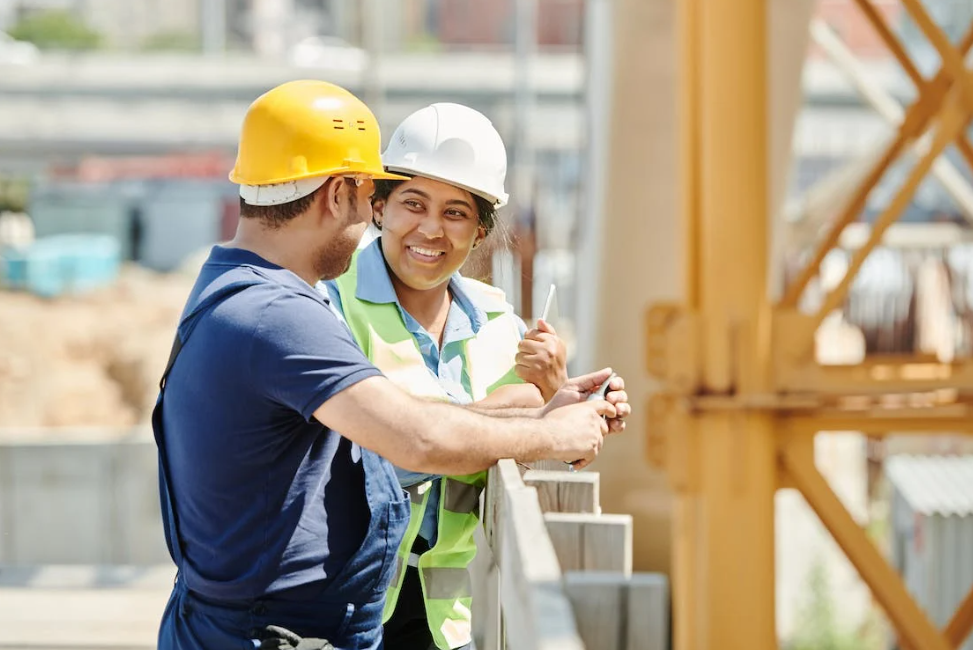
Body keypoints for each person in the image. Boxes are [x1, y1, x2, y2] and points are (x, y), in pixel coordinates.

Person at [154, 79, 630, 650]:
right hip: (268, 632)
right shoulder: (282, 315)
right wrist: (548, 430)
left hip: (294, 624)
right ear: (340, 194)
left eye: (455, 212)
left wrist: (548, 411)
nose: (372, 220)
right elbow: (414, 439)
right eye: (374, 197)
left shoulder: (247, 293)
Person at [323, 103, 592, 650]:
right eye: (413, 204)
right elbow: (383, 447)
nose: (430, 229)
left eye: (455, 213)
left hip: (448, 620)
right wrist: (521, 409)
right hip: (342, 610)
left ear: (480, 230)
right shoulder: (330, 302)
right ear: (379, 208)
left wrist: (558, 396)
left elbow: (538, 450)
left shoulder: (499, 322)